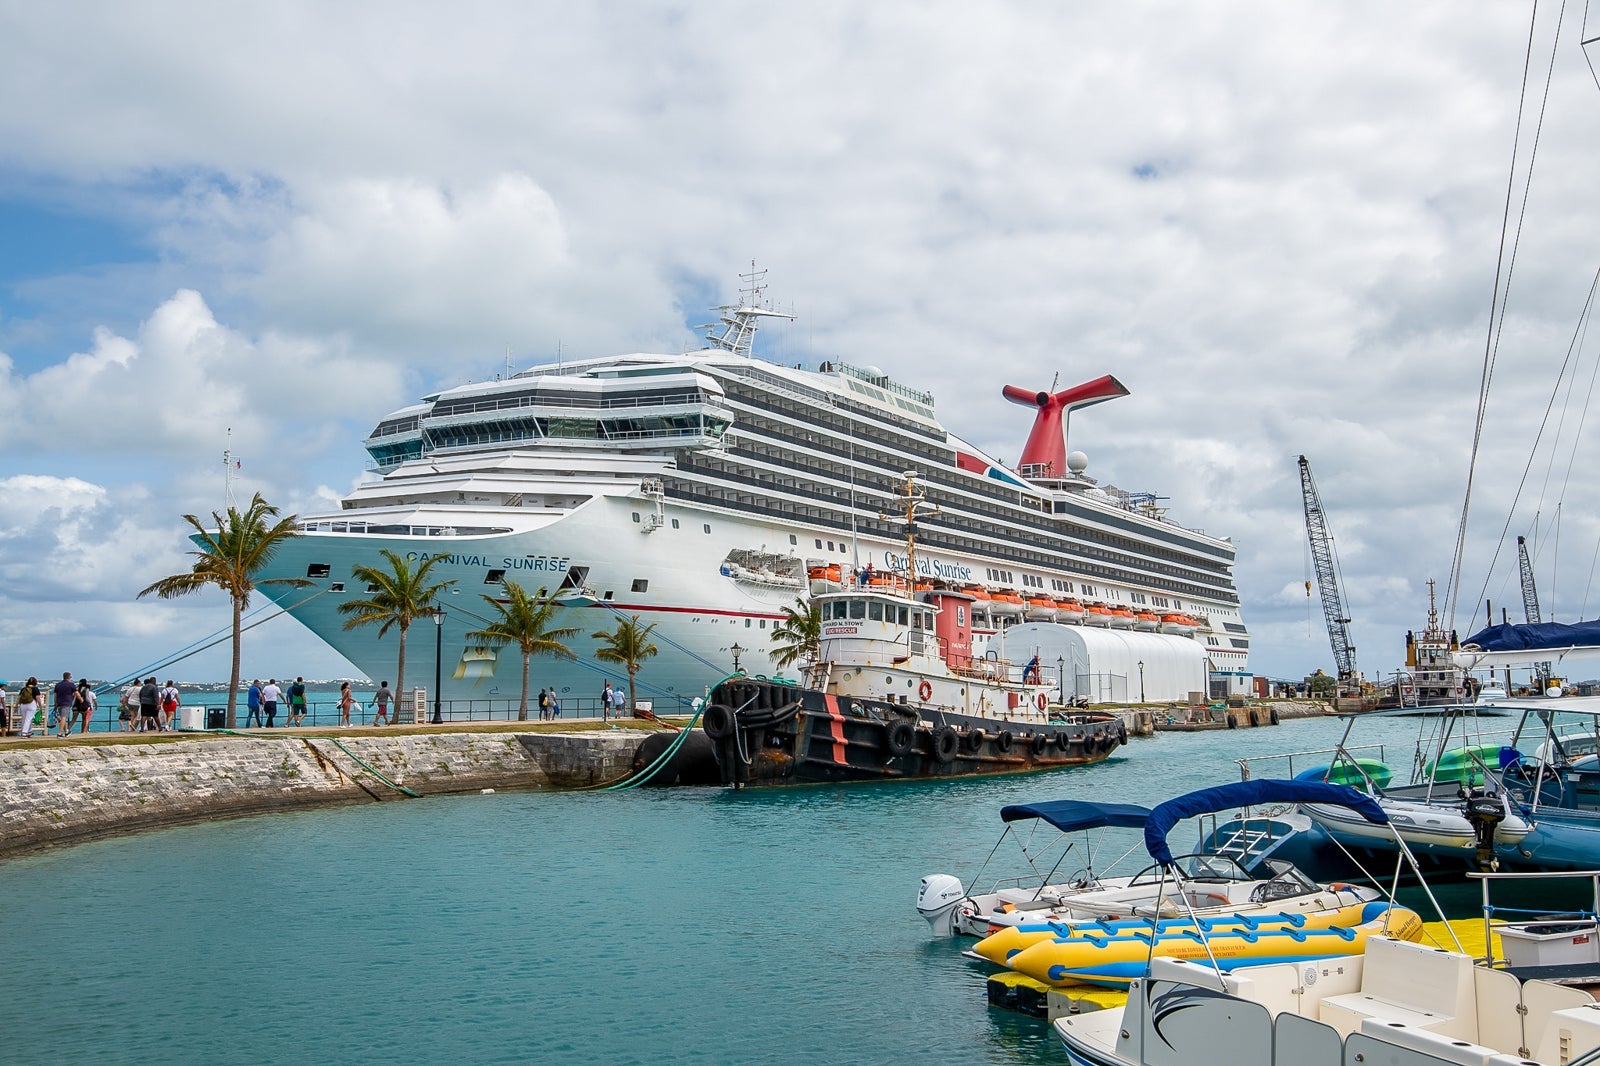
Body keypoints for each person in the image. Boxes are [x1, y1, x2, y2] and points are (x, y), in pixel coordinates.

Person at [53, 671, 76, 737]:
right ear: (69, 677)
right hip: (67, 703)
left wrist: (55, 703)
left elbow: (55, 695)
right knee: (63, 717)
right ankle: (59, 733)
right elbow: (76, 693)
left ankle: (66, 732)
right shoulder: (71, 685)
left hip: (59, 703)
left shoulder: (58, 685)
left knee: (62, 718)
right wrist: (80, 699)